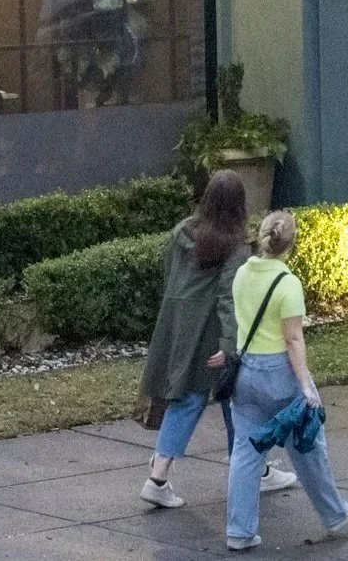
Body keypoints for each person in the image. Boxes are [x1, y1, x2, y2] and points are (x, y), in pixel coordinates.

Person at [137, 171, 296, 510]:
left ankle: (158, 476)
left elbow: (170, 279)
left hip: (178, 328)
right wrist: (229, 346)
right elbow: (228, 299)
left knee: (186, 400)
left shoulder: (181, 232)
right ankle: (253, 469)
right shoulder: (235, 247)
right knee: (236, 402)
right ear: (239, 205)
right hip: (212, 334)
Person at [224, 211, 348, 551]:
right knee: (307, 444)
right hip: (280, 374)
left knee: (247, 450)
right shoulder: (288, 284)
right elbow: (293, 340)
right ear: (292, 245)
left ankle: (239, 531)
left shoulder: (242, 274)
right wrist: (305, 386)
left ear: (261, 237)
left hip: (245, 374)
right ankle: (334, 513)